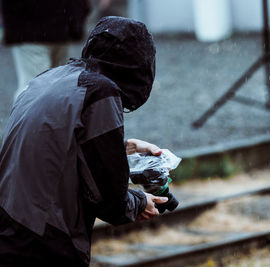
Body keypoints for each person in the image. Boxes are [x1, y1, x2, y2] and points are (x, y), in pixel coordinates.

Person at [0, 16, 167, 266]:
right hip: (44, 242)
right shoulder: (101, 91)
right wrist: (140, 202)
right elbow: (110, 199)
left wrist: (123, 151)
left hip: (11, 228)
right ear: (139, 69)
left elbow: (58, 150)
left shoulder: (49, 78)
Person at [0, 0, 115, 100]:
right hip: (51, 23)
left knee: (41, 87)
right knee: (47, 87)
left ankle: (36, 123)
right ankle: (36, 123)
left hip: (44, 24)